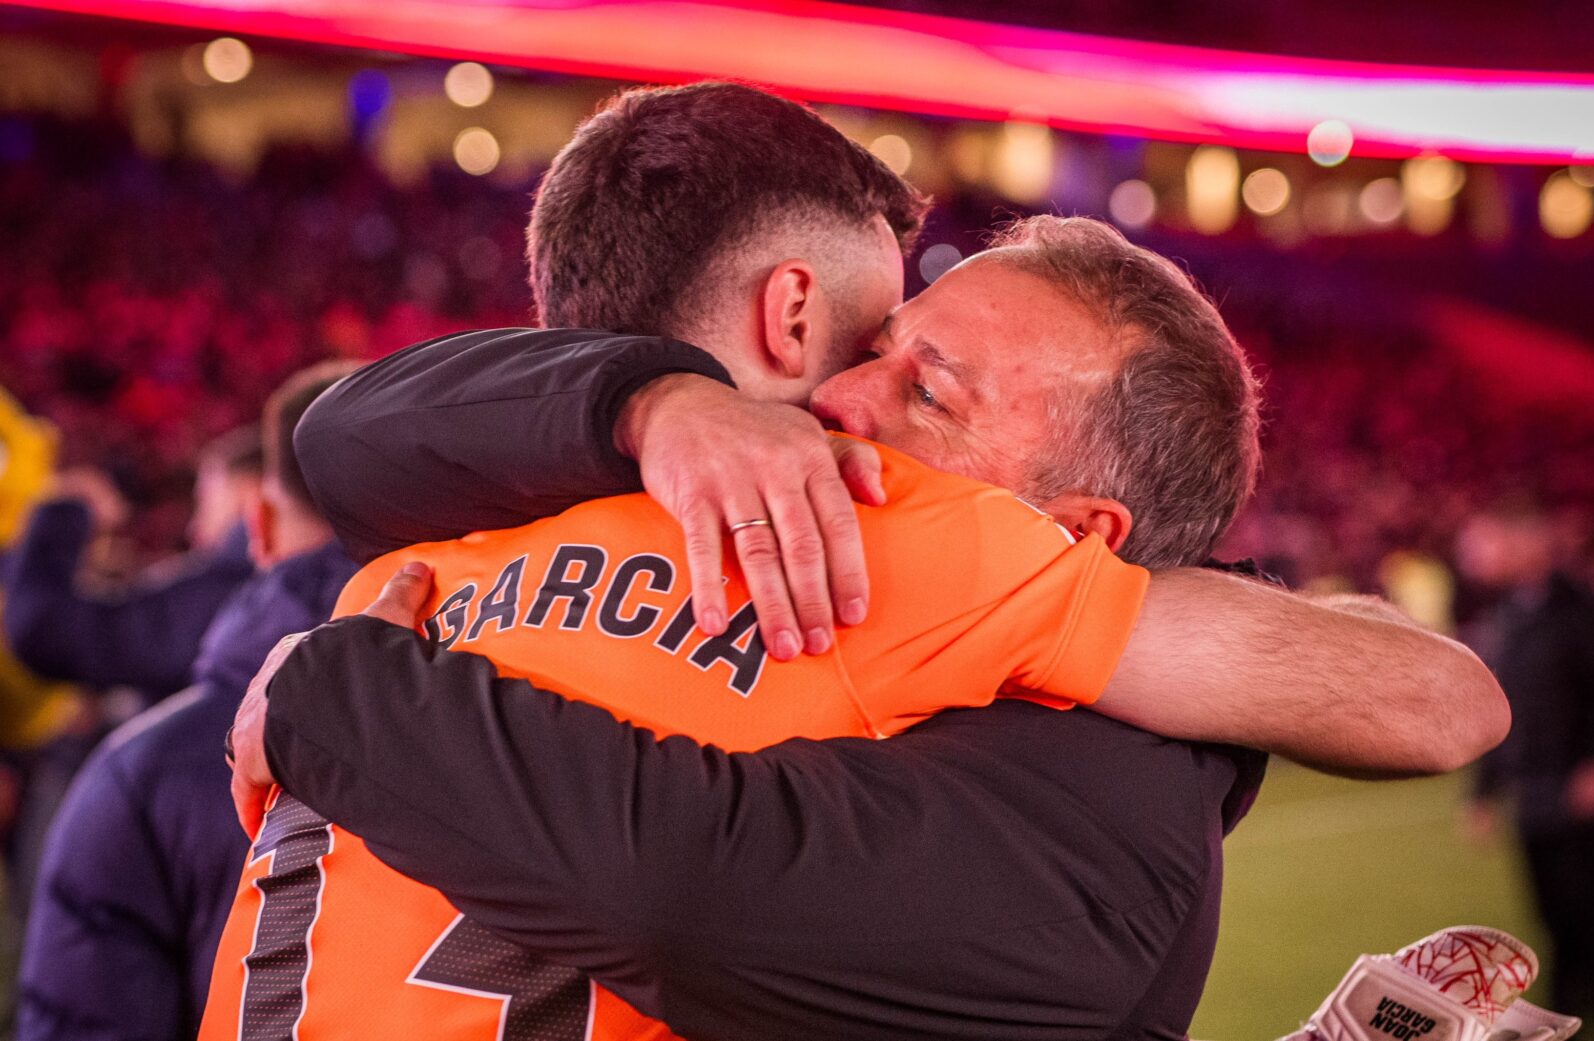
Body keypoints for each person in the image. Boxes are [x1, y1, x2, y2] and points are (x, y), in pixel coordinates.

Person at [220, 83, 1504, 1040]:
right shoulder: (884, 543)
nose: (843, 400)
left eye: (927, 389)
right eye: (874, 341)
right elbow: (1442, 701)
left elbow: (341, 431)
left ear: (1079, 530)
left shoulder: (448, 522)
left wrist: (342, 688)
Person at [16, 366, 358, 1041]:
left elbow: (47, 628)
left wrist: (62, 511)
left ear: (252, 514)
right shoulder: (512, 709)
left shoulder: (146, 766)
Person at [1458, 501, 1594, 1025]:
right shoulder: (1512, 614)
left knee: (1584, 905)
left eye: (1485, 541)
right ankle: (1574, 1002)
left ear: (1528, 541)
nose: (1473, 555)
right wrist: (1482, 793)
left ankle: (1573, 1005)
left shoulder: (1580, 606)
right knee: (1552, 910)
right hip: (1533, 795)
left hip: (1577, 790)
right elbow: (1504, 709)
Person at [2, 427, 261, 700]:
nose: (193, 529)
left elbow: (46, 633)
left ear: (248, 492)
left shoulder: (236, 591)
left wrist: (65, 512)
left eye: (205, 502)